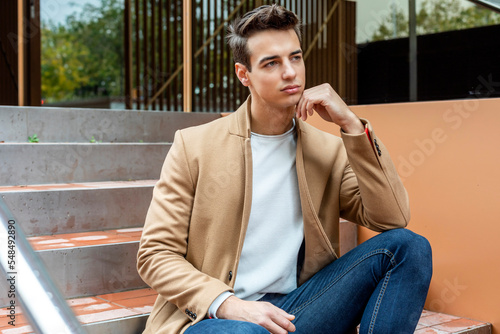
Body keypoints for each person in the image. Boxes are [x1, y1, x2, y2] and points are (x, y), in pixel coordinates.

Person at [137, 4, 432, 334]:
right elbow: (155, 253)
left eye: (295, 57)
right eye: (271, 63)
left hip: (297, 312)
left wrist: (351, 125)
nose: (290, 72)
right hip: (218, 318)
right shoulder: (195, 146)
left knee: (408, 247)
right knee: (246, 333)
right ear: (243, 74)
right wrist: (229, 304)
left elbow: (391, 218)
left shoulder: (328, 150)